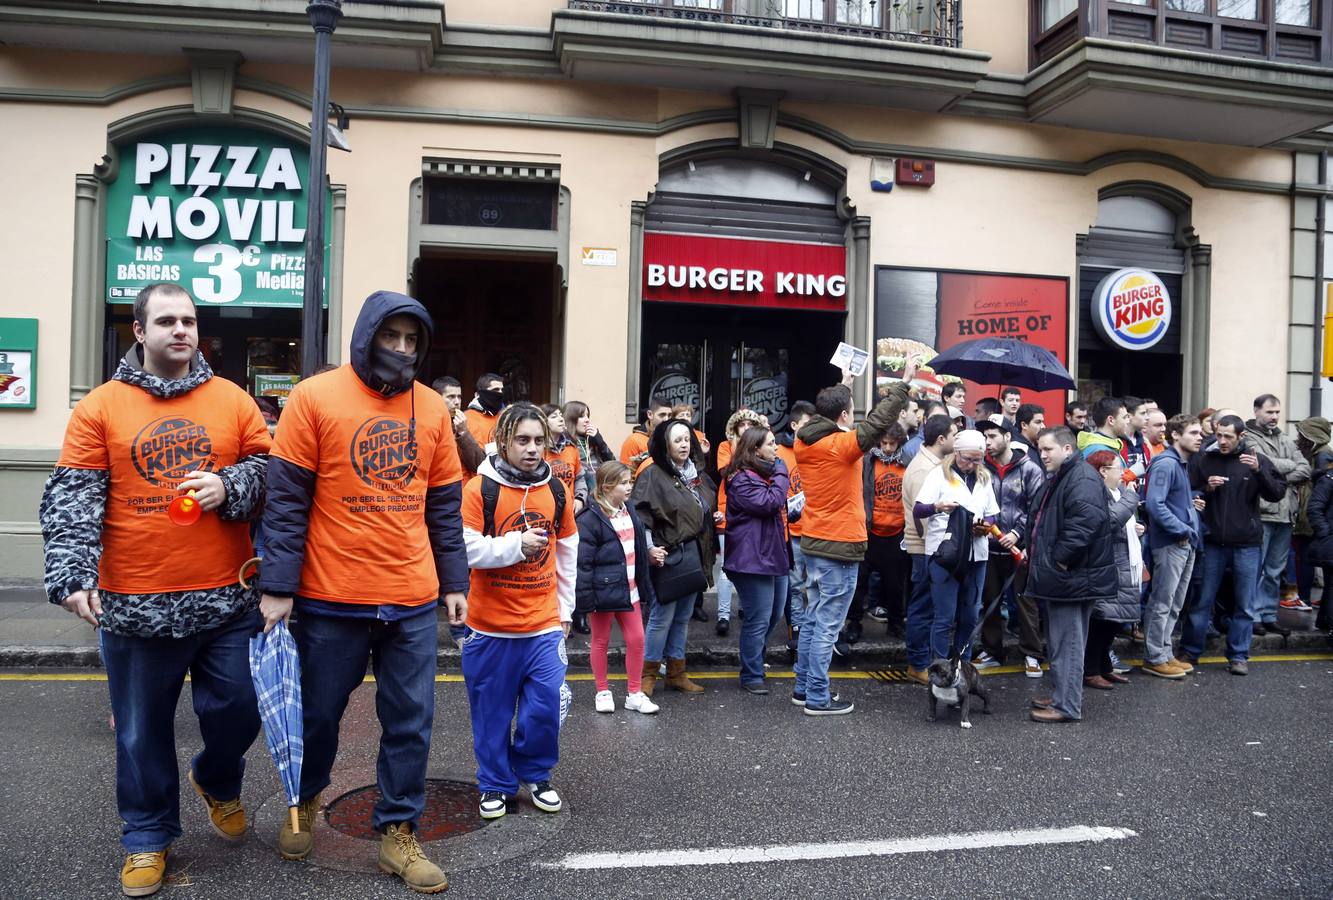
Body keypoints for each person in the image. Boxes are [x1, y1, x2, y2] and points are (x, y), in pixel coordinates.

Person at [40, 282, 270, 898]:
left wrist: (232, 486)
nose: (181, 331)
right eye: (166, 321)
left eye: (190, 321)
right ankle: (146, 836)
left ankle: (217, 779)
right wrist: (72, 574)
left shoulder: (234, 401)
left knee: (240, 711)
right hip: (134, 606)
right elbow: (74, 498)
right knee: (141, 733)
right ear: (139, 331)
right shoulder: (100, 408)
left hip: (227, 601)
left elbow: (273, 474)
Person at [258, 291, 467, 893]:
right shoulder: (313, 397)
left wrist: (454, 582)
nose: (401, 350)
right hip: (330, 596)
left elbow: (444, 508)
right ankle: (305, 797)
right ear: (365, 336)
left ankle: (398, 832)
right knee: (318, 715)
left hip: (410, 596)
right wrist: (278, 586)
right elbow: (288, 501)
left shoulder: (430, 410)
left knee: (411, 720)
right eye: (390, 337)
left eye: (411, 340)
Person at [460, 403, 577, 820]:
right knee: (491, 714)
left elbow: (567, 550)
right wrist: (514, 547)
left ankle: (536, 773)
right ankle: (494, 783)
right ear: (504, 441)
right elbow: (465, 547)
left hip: (542, 624)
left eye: (539, 441)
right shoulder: (480, 489)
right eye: (523, 440)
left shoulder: (556, 490)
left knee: (544, 707)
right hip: (490, 627)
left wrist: (566, 609)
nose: (532, 450)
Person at [794, 361, 915, 715]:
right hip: (840, 545)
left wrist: (845, 384)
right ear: (845, 415)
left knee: (814, 619)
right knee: (827, 627)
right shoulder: (841, 445)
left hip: (816, 541)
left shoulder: (806, 440)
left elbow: (835, 414)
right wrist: (904, 383)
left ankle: (803, 688)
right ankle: (816, 696)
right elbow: (879, 421)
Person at [1180, 415, 1287, 674]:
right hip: (1214, 541)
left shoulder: (1255, 459)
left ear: (1241, 436)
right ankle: (1190, 651)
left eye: (1229, 436)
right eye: (1219, 435)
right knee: (1202, 600)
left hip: (1247, 544)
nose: (1223, 441)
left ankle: (1238, 655)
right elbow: (1187, 490)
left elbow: (1277, 493)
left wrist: (1258, 472)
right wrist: (1207, 488)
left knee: (1245, 603)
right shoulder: (1205, 457)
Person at [1026, 427, 1115, 724]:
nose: (1043, 454)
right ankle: (1063, 695)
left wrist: (1059, 560)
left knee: (1069, 642)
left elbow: (1086, 521)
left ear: (1067, 449)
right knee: (1062, 640)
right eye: (1040, 449)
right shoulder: (1067, 475)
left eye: (1048, 449)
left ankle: (1067, 706)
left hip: (1071, 575)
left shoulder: (1081, 477)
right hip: (1066, 575)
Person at [632, 419, 718, 696]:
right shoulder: (652, 474)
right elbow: (641, 516)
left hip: (694, 554)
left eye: (686, 439)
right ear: (665, 445)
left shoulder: (697, 475)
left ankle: (677, 674)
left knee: (682, 617)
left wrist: (712, 516)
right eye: (677, 440)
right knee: (661, 617)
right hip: (667, 556)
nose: (684, 444)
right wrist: (648, 549)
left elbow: (702, 507)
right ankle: (647, 676)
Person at [575, 461, 660, 715]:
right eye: (624, 483)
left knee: (637, 640)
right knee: (600, 641)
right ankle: (602, 691)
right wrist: (585, 598)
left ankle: (635, 693)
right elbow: (583, 563)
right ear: (607, 486)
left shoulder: (629, 510)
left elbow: (637, 551)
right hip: (603, 593)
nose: (629, 487)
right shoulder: (590, 519)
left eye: (629, 482)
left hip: (630, 589)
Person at [912, 430, 999, 664]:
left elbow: (992, 515)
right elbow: (918, 510)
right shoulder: (938, 475)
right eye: (966, 458)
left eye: (976, 459)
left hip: (976, 554)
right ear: (956, 452)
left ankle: (963, 666)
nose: (970, 464)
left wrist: (986, 526)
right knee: (944, 617)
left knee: (970, 616)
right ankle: (939, 668)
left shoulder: (984, 477)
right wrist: (938, 507)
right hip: (945, 555)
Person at [722, 426, 793, 694]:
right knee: (759, 618)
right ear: (755, 450)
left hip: (774, 555)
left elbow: (774, 505)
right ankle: (751, 674)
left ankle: (755, 662)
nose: (776, 449)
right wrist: (782, 472)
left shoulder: (763, 475)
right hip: (751, 560)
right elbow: (769, 503)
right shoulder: (741, 478)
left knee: (774, 615)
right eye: (771, 444)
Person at [974, 418, 1046, 674]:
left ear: (1007, 436)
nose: (987, 442)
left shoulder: (1030, 469)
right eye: (984, 437)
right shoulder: (980, 467)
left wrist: (1017, 533)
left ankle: (1032, 653)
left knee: (1025, 602)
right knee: (989, 600)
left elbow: (1037, 508)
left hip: (1020, 549)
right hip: (988, 546)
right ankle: (992, 650)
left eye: (992, 436)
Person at [1141, 414, 1206, 677]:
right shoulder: (1166, 464)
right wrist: (1181, 529)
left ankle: (1165, 653)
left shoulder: (1180, 464)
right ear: (1176, 435)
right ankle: (1155, 657)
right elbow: (1154, 503)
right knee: (1163, 601)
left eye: (1200, 433)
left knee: (1175, 602)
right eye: (1193, 433)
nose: (1199, 437)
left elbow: (1171, 500)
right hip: (1171, 543)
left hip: (1183, 542)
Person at [901, 414, 958, 684]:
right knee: (923, 607)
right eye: (954, 435)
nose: (957, 440)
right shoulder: (924, 469)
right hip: (924, 549)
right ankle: (918, 663)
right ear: (941, 439)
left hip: (929, 548)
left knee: (927, 606)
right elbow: (922, 519)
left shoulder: (934, 464)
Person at [1247, 394, 1310, 631]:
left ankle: (1268, 614)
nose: (1274, 417)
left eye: (1277, 413)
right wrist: (1280, 467)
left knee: (1274, 570)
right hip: (1262, 512)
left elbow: (1304, 469)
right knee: (1256, 568)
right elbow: (1259, 463)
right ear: (1256, 411)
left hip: (1286, 513)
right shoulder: (1247, 438)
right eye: (1269, 412)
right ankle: (1251, 616)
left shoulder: (1285, 438)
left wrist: (1272, 472)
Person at [1084, 451, 1143, 690]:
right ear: (1103, 471)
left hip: (1122, 561)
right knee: (1102, 620)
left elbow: (1123, 523)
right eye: (1119, 468)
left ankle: (1104, 666)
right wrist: (1131, 498)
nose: (1123, 472)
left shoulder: (1117, 492)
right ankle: (1090, 670)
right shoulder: (1098, 493)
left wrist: (1139, 528)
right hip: (1107, 564)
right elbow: (1108, 522)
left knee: (1113, 621)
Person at [714, 408, 764, 636]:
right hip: (727, 511)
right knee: (726, 567)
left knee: (749, 564)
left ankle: (745, 608)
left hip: (752, 513)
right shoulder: (726, 447)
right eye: (741, 425)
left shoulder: (760, 447)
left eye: (749, 425)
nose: (745, 428)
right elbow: (727, 472)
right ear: (734, 429)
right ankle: (723, 614)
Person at [862, 424, 910, 637]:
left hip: (896, 532)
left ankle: (896, 624)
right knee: (860, 583)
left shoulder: (906, 463)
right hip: (871, 531)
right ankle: (854, 623)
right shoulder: (869, 462)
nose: (889, 448)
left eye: (893, 443)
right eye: (884, 443)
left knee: (895, 586)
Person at [776, 401, 813, 649]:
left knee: (816, 585)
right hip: (792, 530)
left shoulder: (817, 449)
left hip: (816, 528)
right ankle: (797, 630)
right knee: (796, 585)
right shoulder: (779, 452)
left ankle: (813, 631)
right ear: (794, 425)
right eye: (807, 425)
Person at [435, 375, 486, 477]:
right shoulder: (428, 422)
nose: (457, 402)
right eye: (451, 397)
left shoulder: (464, 422)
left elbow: (479, 465)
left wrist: (464, 433)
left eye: (459, 397)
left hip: (463, 486)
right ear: (437, 397)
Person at [563, 400, 614, 498]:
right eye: (582, 416)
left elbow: (612, 463)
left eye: (587, 416)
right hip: (578, 496)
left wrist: (599, 440)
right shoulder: (565, 443)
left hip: (599, 496)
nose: (587, 420)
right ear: (570, 419)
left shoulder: (592, 439)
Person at [620, 395, 673, 468]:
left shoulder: (673, 439)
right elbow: (625, 474)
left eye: (669, 415)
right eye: (662, 415)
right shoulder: (633, 441)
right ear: (650, 414)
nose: (666, 419)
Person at [465, 372, 505, 463]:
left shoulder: (503, 418)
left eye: (501, 390)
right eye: (495, 390)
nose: (500, 393)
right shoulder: (467, 419)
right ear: (478, 395)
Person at [898, 395, 923, 464]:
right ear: (903, 413)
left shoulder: (916, 437)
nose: (918, 415)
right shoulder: (888, 437)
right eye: (915, 411)